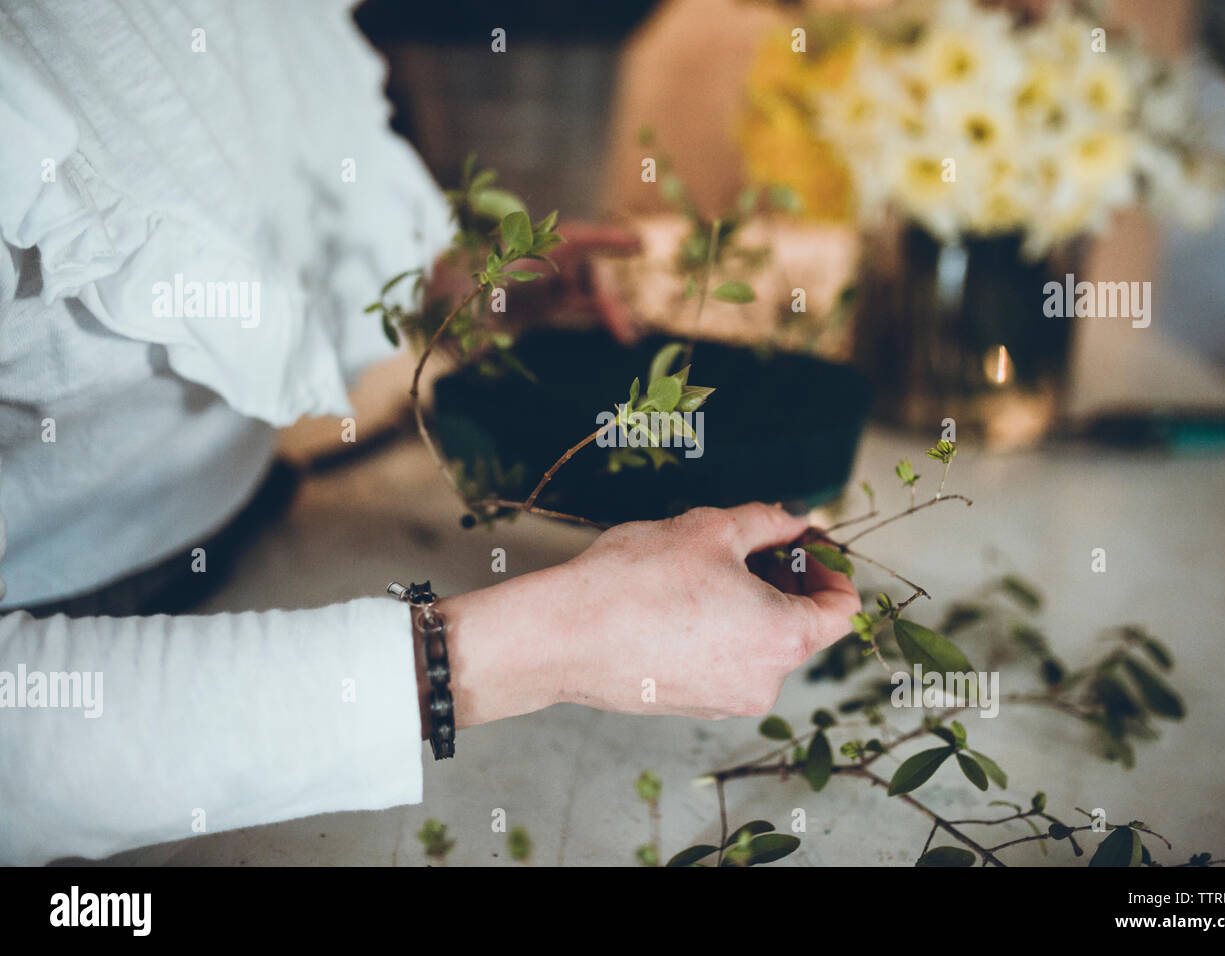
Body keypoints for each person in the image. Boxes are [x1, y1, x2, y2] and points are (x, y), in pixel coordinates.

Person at [0, 0, 859, 866]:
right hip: (145, 679)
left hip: (270, 536)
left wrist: (447, 290)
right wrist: (545, 643)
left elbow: (224, 184)